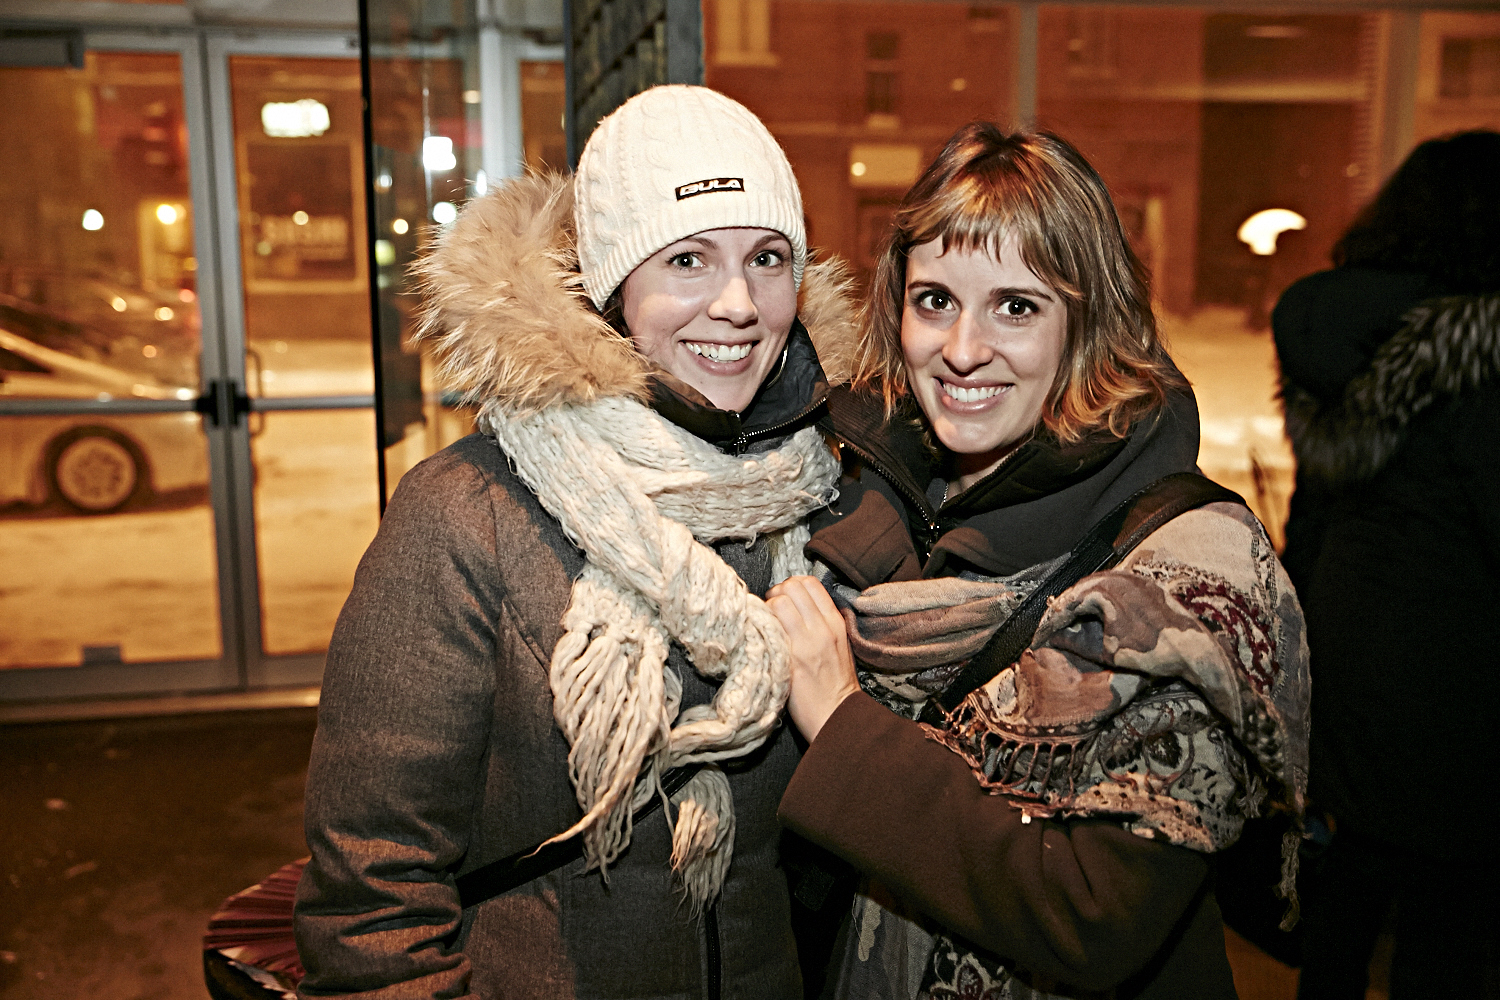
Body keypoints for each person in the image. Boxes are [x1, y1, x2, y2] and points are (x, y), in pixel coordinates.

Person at [293, 85, 860, 999]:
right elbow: (370, 902)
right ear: (609, 288)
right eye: (685, 259)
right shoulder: (464, 515)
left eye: (766, 258)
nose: (738, 304)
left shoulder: (815, 494)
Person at [764, 125, 1310, 999]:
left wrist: (840, 720)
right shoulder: (870, 498)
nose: (964, 349)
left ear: (1088, 323)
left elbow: (1095, 914)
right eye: (935, 300)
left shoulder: (1189, 580)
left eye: (1016, 307)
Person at [1272, 130, 1500, 999]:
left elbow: (1315, 504)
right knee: (1445, 916)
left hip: (1350, 633)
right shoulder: (1481, 352)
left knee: (1341, 894)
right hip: (1463, 659)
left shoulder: (1338, 331)